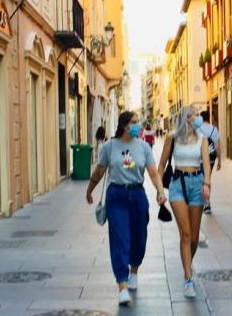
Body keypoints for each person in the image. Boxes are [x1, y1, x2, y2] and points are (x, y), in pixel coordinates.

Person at [87, 111, 167, 305]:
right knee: (120, 238)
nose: (137, 125)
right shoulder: (110, 146)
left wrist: (160, 191)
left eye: (138, 122)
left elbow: (153, 172)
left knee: (139, 238)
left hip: (137, 196)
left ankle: (134, 270)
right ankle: (122, 284)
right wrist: (90, 190)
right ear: (124, 125)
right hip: (117, 196)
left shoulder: (143, 147)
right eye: (133, 122)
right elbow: (99, 171)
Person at [158, 106, 212, 299]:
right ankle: (188, 278)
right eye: (193, 115)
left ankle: (187, 265)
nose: (196, 118)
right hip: (177, 185)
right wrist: (159, 191)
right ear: (185, 118)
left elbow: (206, 164)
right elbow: (161, 165)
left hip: (197, 183)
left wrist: (207, 184)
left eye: (197, 115)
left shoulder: (202, 139)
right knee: (186, 234)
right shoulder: (172, 137)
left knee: (195, 238)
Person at [199, 110, 221, 214]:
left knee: (201, 179)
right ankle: (207, 203)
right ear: (209, 117)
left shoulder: (197, 129)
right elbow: (217, 146)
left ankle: (203, 202)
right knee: (207, 178)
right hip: (211, 157)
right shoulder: (214, 129)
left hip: (199, 158)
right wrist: (219, 160)